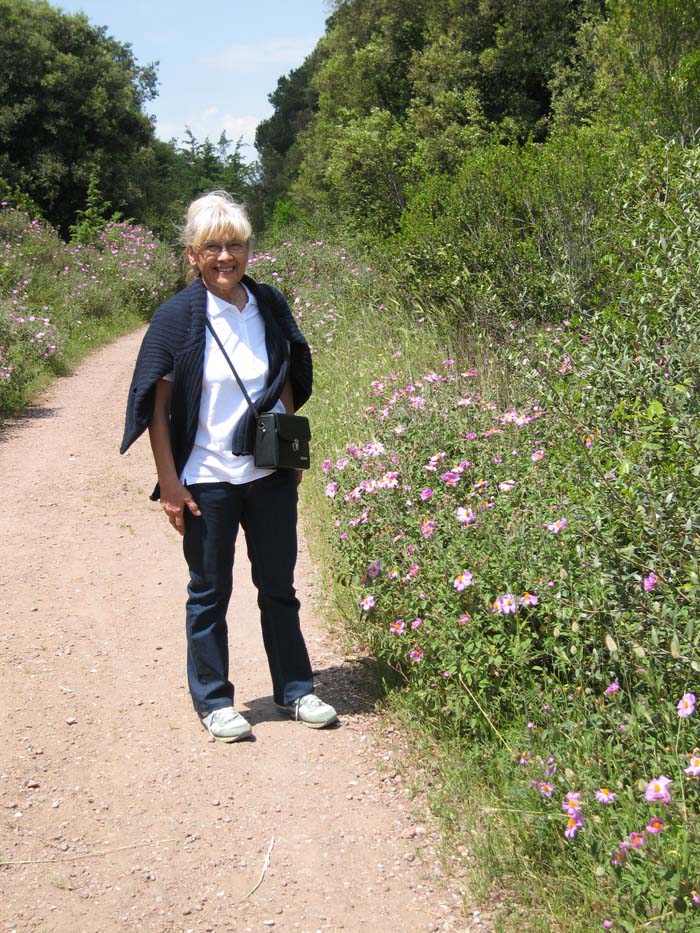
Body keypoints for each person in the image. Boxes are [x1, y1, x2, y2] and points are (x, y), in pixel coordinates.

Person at [120, 190, 337, 742]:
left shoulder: (268, 304)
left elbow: (285, 372)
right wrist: (170, 482)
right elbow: (158, 406)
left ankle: (296, 690)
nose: (225, 257)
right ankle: (215, 700)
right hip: (206, 480)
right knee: (210, 591)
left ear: (247, 250)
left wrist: (290, 450)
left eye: (234, 245)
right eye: (212, 247)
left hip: (268, 477)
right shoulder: (176, 318)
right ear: (192, 254)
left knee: (278, 587)